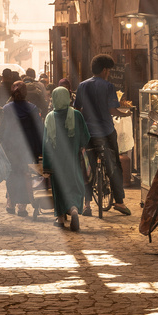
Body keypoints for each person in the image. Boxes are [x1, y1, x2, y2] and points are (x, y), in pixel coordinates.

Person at [74, 54, 131, 216]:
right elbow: (112, 110)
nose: (109, 73)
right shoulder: (108, 86)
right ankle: (119, 202)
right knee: (114, 165)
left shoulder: (82, 86)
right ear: (105, 70)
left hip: (88, 134)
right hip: (106, 132)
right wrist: (126, 114)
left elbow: (77, 108)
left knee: (86, 167)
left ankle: (86, 205)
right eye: (109, 70)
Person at [43, 86, 90, 231]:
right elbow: (86, 137)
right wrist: (79, 145)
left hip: (57, 163)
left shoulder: (50, 117)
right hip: (74, 160)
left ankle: (61, 218)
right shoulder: (77, 115)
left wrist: (46, 166)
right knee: (74, 185)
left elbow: (46, 144)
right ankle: (74, 208)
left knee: (59, 188)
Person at [0, 81, 43, 216]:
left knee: (12, 174)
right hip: (28, 147)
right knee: (26, 175)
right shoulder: (33, 108)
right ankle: (22, 207)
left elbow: (1, 129)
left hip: (10, 147)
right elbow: (39, 130)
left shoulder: (6, 108)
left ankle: (10, 202)